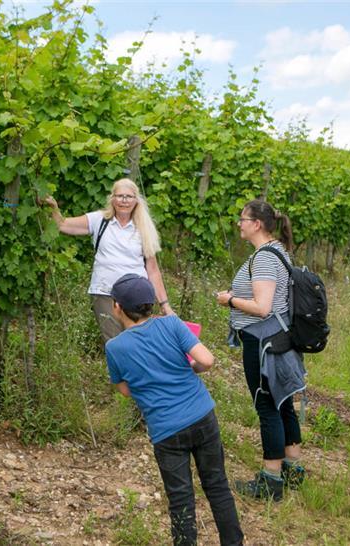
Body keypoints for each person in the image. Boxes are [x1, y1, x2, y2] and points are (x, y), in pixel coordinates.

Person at [105, 274, 244, 546]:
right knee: (217, 486)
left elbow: (124, 390)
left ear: (117, 307)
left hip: (166, 430)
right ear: (150, 304)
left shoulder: (115, 347)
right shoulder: (171, 324)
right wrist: (188, 370)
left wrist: (150, 385)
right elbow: (207, 360)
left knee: (180, 499)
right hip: (202, 414)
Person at [215, 199, 307, 501]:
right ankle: (293, 470)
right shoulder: (277, 252)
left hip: (263, 342)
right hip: (278, 339)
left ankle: (270, 481)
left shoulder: (265, 258)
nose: (239, 223)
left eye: (243, 219)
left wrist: (229, 300)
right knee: (282, 404)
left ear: (256, 224)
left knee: (266, 405)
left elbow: (262, 307)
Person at [40, 178, 173, 343]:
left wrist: (165, 304)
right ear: (112, 198)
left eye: (129, 197)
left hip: (137, 296)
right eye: (120, 196)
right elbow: (63, 225)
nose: (124, 200)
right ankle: (120, 369)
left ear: (136, 200)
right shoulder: (99, 220)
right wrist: (53, 207)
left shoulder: (144, 227)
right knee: (115, 343)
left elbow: (153, 270)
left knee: (141, 343)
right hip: (105, 293)